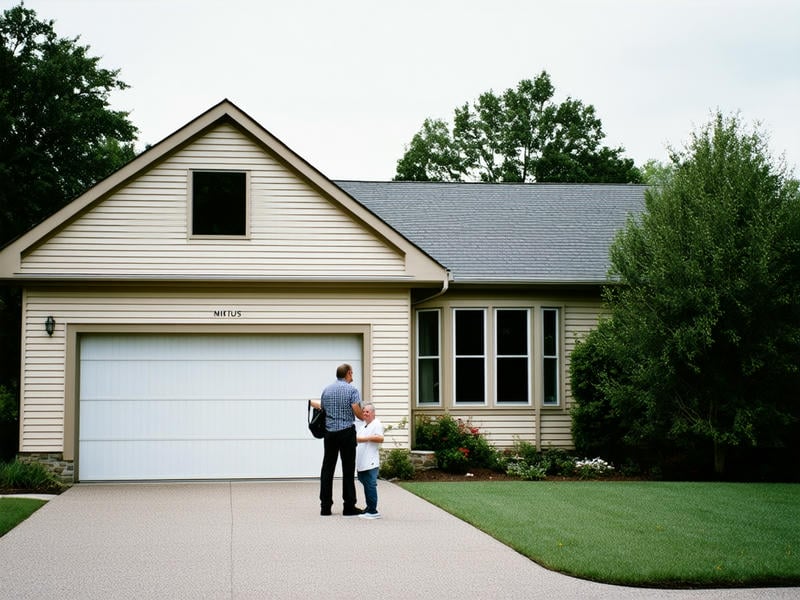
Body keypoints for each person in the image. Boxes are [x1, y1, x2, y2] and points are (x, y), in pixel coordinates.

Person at [317, 363, 364, 516]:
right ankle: (349, 506)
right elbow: (357, 412)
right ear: (349, 373)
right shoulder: (352, 390)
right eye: (352, 373)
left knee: (327, 469)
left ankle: (325, 507)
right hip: (346, 433)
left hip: (330, 434)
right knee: (348, 470)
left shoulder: (326, 390)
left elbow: (323, 409)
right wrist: (364, 416)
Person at [355, 403, 384, 519]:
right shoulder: (363, 426)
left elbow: (380, 438)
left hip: (371, 462)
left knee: (370, 485)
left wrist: (364, 439)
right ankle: (369, 507)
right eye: (364, 412)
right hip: (362, 462)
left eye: (367, 412)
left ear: (373, 413)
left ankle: (373, 511)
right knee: (365, 482)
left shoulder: (376, 424)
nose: (365, 414)